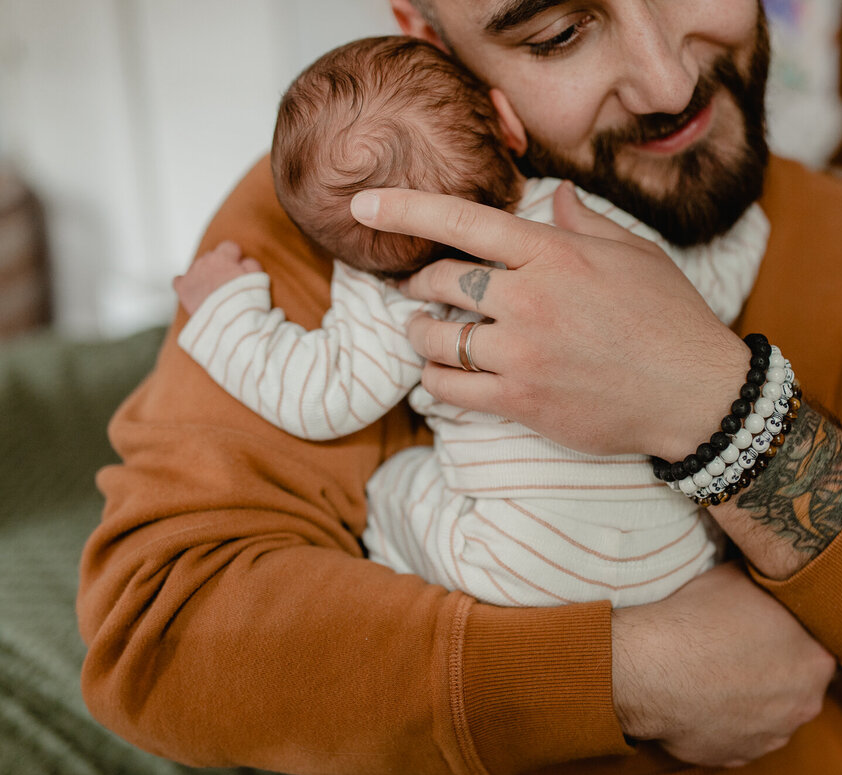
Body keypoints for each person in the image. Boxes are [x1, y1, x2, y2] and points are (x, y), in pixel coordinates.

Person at [77, 2, 842, 775]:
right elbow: (160, 635)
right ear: (433, 44)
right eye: (558, 32)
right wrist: (621, 671)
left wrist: (718, 411)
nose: (669, 79)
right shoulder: (345, 211)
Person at [173, 35, 773, 607]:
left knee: (393, 485)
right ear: (508, 125)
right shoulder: (588, 213)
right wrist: (748, 227)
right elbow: (703, 295)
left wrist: (226, 309)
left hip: (514, 571)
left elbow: (321, 396)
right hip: (678, 563)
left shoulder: (391, 293)